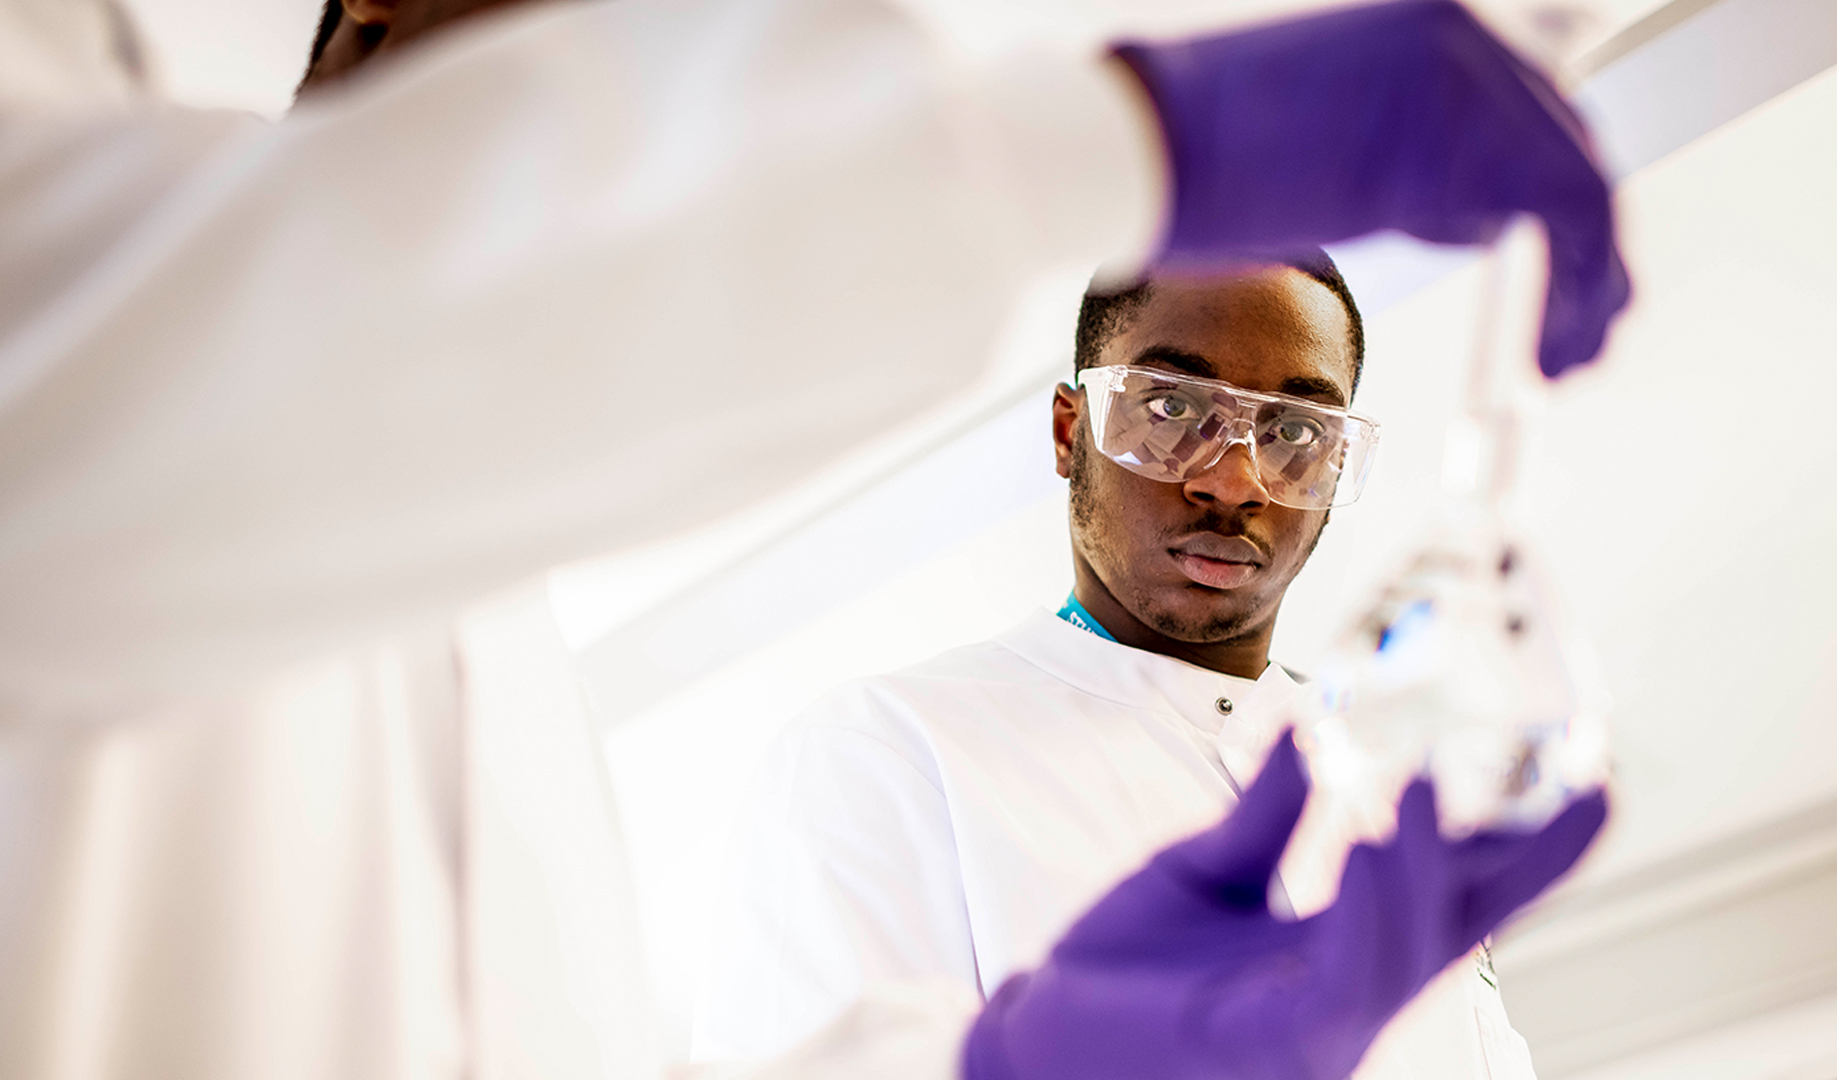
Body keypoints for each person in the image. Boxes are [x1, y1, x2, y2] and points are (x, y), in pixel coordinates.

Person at [0, 0, 1626, 1077]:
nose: (1232, 479)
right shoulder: (105, 265)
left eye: (1292, 435)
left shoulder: (500, 665)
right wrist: (1099, 140)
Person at [695, 257, 1549, 1078]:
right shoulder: (889, 751)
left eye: (1294, 429)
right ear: (1072, 431)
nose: (1234, 478)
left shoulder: (1389, 785)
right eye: (1174, 409)